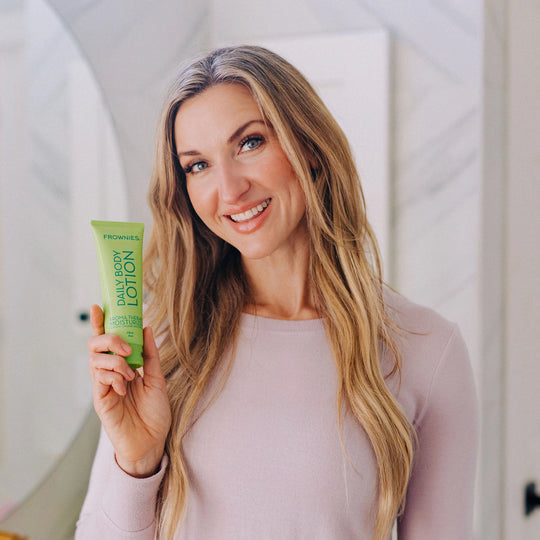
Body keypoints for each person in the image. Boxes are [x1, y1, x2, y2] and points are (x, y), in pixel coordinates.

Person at [76, 45, 478, 540]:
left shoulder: (425, 348)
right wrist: (136, 462)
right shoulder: (164, 341)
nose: (229, 190)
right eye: (197, 166)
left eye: (249, 143)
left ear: (307, 145)